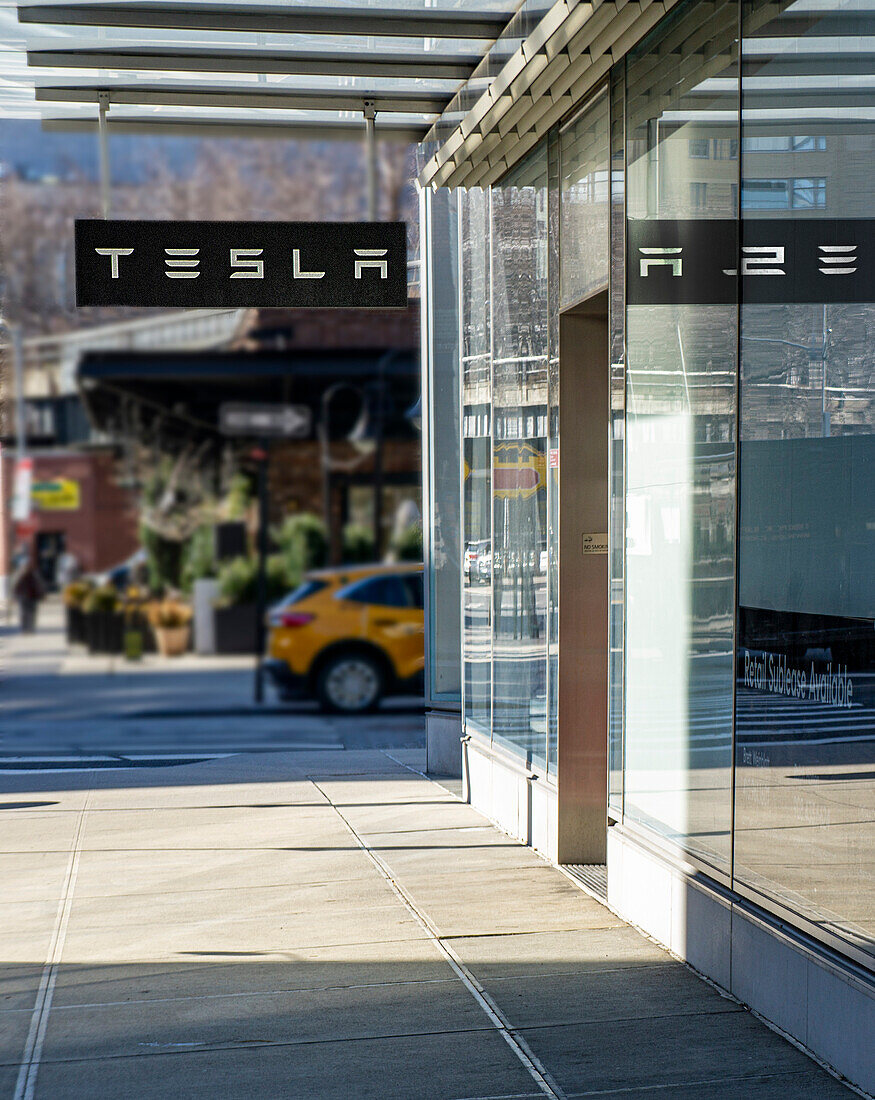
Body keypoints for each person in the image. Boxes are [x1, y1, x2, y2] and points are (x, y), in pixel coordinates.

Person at [11, 552, 45, 633]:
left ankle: (29, 628)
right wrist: (14, 595)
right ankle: (26, 628)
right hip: (24, 596)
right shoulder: (20, 575)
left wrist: (42, 594)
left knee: (30, 613)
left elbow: (39, 585)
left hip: (31, 596)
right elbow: (15, 586)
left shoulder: (34, 574)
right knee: (25, 613)